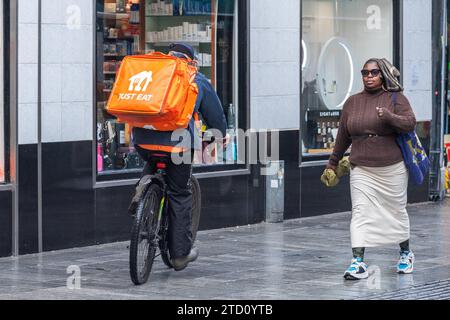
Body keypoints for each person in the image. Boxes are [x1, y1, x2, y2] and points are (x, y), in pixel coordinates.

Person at [130, 43, 228, 271]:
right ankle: (180, 255)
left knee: (152, 160)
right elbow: (216, 118)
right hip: (178, 147)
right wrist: (218, 136)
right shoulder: (195, 78)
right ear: (191, 60)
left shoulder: (157, 72)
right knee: (179, 192)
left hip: (143, 139)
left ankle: (143, 192)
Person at [324, 58, 417, 280]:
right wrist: (332, 163)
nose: (369, 76)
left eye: (374, 72)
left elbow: (410, 123)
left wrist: (389, 117)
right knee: (360, 212)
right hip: (361, 168)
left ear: (383, 74)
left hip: (392, 168)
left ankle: (406, 253)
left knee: (395, 211)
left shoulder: (395, 98)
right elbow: (343, 137)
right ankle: (357, 262)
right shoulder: (352, 102)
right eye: (365, 72)